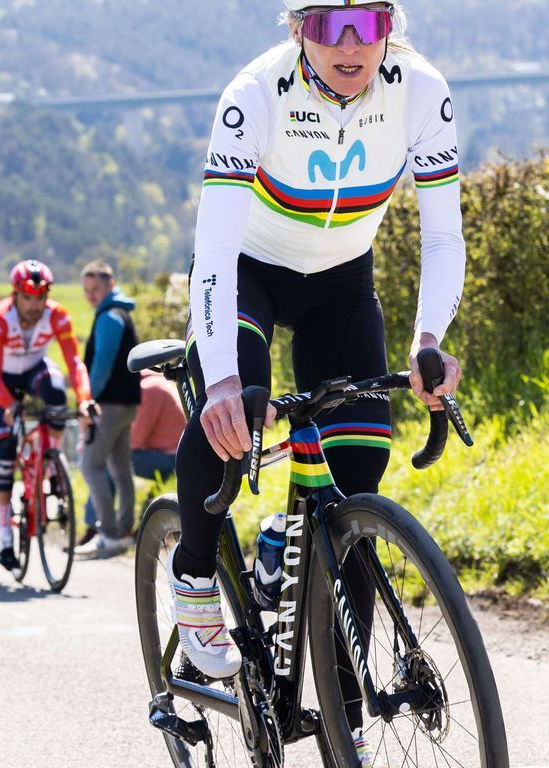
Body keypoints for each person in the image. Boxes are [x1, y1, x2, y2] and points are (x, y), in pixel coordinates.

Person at [167, 2, 465, 764]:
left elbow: (442, 232)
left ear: (390, 27)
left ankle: (345, 709)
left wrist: (429, 341)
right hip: (246, 276)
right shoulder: (255, 94)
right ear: (300, 29)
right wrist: (226, 381)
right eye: (332, 23)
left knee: (358, 475)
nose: (351, 44)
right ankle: (195, 575)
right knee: (237, 424)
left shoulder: (419, 88)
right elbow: (215, 244)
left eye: (368, 22)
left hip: (340, 283)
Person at [0, 259, 91, 571]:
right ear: (15, 295)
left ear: (47, 296)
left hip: (33, 371)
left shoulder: (57, 315)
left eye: (39, 298)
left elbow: (74, 363)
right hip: (0, 382)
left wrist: (84, 400)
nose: (33, 305)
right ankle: (5, 533)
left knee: (56, 393)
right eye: (27, 298)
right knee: (4, 454)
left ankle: (52, 459)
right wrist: (6, 403)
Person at [72, 260, 141, 559]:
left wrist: (86, 402)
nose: (91, 295)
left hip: (107, 404)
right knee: (120, 467)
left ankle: (110, 533)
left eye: (96, 289)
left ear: (110, 286)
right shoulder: (121, 313)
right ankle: (124, 530)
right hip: (127, 403)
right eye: (87, 290)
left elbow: (100, 367)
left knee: (90, 465)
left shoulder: (109, 317)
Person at [79, 367, 187, 546]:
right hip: (170, 455)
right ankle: (107, 527)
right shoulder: (157, 383)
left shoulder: (149, 389)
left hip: (170, 459)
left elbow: (134, 441)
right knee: (111, 460)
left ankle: (97, 528)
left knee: (109, 461)